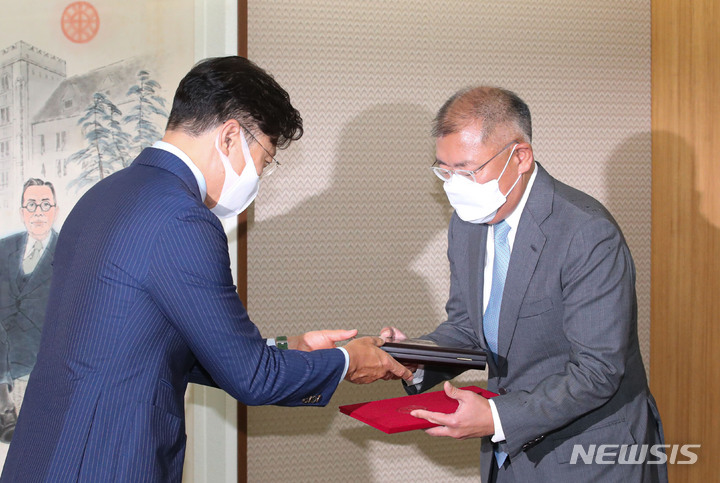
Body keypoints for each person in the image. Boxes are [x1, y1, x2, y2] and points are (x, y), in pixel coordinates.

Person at [1, 56, 411, 482]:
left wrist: (294, 347)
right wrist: (346, 361)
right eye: (264, 161)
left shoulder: (102, 196)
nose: (258, 178)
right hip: (109, 460)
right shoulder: (184, 218)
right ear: (231, 136)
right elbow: (253, 379)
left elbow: (141, 346)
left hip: (44, 456)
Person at [382, 87, 666, 482]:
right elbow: (468, 327)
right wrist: (417, 358)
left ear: (520, 157)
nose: (454, 186)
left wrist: (497, 416)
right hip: (509, 454)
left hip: (591, 455)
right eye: (444, 170)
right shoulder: (468, 223)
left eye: (467, 170)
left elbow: (598, 371)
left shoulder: (586, 233)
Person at [0, 178, 59, 443]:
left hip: (39, 354)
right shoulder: (4, 248)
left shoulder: (69, 251)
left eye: (45, 205)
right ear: (22, 211)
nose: (38, 211)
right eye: (32, 205)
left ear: (55, 210)